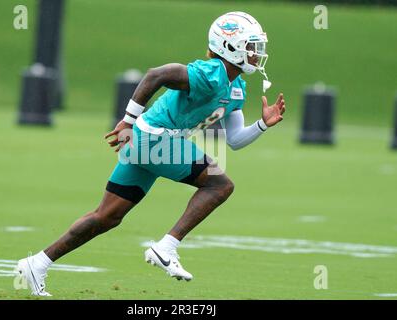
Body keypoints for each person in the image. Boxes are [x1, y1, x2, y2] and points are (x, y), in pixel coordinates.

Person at [16, 11, 285, 296]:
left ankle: (37, 263)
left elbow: (234, 140)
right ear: (230, 47)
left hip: (147, 142)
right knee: (220, 184)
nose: (257, 54)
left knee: (106, 216)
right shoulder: (212, 73)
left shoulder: (237, 88)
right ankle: (166, 247)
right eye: (252, 46)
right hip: (154, 139)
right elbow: (156, 74)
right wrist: (127, 121)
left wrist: (262, 125)